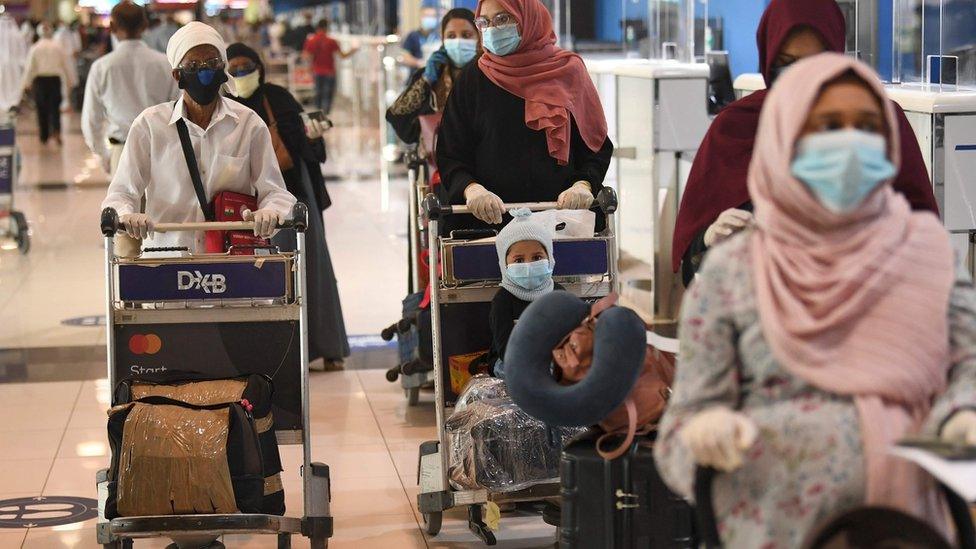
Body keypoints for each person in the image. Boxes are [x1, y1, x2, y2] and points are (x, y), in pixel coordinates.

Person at [655, 53, 976, 547]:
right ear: (787, 138)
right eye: (827, 125)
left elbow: (967, 364)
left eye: (867, 126)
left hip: (906, 527)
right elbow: (681, 431)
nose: (849, 142)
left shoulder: (927, 254)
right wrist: (706, 434)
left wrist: (962, 417)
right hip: (771, 527)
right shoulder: (735, 271)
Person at [671, 0, 939, 287]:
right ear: (768, 60)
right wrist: (710, 239)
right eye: (786, 64)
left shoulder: (879, 123)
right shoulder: (737, 126)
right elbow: (694, 266)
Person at [101, 22, 295, 252]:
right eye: (193, 65)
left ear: (223, 68)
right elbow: (121, 193)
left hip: (230, 261)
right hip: (167, 257)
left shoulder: (248, 124)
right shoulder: (150, 126)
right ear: (177, 75)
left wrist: (270, 212)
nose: (204, 72)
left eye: (212, 63)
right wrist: (128, 216)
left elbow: (275, 192)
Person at [436, 0, 613, 235]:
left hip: (560, 223)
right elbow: (451, 152)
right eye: (484, 22)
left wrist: (584, 184)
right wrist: (472, 189)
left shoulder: (568, 72)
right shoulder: (473, 79)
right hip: (488, 225)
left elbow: (595, 143)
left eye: (503, 19)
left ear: (528, 19)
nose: (492, 29)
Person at [225, 42, 349, 371]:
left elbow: (309, 148)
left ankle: (326, 346)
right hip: (246, 205)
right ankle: (279, 352)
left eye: (246, 67)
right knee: (264, 279)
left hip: (294, 198)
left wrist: (308, 134)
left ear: (259, 68)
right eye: (233, 68)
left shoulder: (277, 99)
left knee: (312, 272)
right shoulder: (226, 107)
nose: (240, 74)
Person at [82, 2, 179, 175]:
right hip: (160, 151)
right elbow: (178, 110)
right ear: (144, 25)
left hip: (121, 152)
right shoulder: (165, 64)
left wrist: (104, 155)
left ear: (111, 26)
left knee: (123, 202)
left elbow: (90, 120)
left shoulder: (101, 67)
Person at [487, 209, 563, 379]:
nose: (529, 265)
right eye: (519, 260)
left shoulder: (558, 295)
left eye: (537, 257)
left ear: (549, 257)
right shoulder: (503, 301)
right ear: (504, 265)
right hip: (511, 361)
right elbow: (506, 350)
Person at [386, 7, 480, 144]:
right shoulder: (431, 77)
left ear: (479, 37)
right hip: (438, 160)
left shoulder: (489, 75)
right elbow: (397, 118)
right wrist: (426, 81)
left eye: (466, 35)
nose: (458, 41)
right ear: (443, 40)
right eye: (451, 36)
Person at [21, 22, 76, 145]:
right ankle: (56, 131)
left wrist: (26, 83)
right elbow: (66, 65)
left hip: (40, 82)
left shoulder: (35, 48)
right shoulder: (57, 47)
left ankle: (44, 136)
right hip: (54, 81)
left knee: (41, 108)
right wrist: (71, 81)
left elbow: (30, 67)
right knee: (55, 108)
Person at [302, 19, 356, 114]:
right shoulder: (331, 41)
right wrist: (354, 50)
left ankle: (318, 115)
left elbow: (306, 56)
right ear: (326, 27)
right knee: (328, 95)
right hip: (330, 72)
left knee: (318, 93)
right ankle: (326, 115)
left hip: (317, 71)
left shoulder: (311, 40)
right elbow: (343, 55)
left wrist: (309, 67)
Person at [0, 14, 28, 112]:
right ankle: (13, 103)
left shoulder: (17, 35)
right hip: (15, 66)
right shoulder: (17, 35)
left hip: (4, 66)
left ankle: (7, 103)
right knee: (13, 84)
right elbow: (23, 52)